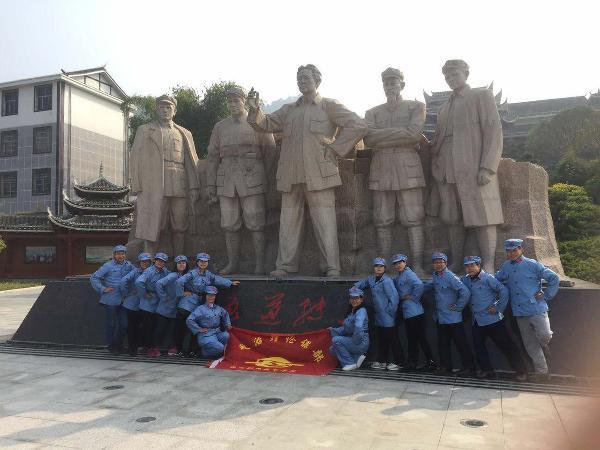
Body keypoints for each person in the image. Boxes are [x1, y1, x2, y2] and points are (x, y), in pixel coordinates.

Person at [247, 64, 368, 277]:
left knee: (325, 222)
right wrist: (255, 109)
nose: (301, 81)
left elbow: (358, 125)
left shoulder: (329, 106)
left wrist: (336, 149)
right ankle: (285, 265)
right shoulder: (289, 110)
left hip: (319, 172)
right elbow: (265, 124)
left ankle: (331, 266)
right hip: (291, 173)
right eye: (299, 78)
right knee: (288, 223)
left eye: (305, 77)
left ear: (317, 81)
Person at [429, 60, 504, 273]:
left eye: (455, 74)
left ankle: (488, 262)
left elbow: (494, 131)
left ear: (466, 73)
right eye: (447, 77)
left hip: (472, 163)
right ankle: (457, 260)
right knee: (452, 217)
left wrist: (488, 166)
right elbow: (438, 139)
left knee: (483, 215)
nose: (451, 79)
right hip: (447, 166)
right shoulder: (444, 107)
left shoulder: (481, 95)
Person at [207, 86, 276, 274]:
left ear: (244, 101)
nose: (232, 104)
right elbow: (212, 157)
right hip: (227, 180)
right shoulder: (220, 127)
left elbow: (270, 151)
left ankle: (260, 265)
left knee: (256, 223)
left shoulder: (257, 122)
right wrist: (211, 184)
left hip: (252, 177)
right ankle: (233, 263)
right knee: (229, 224)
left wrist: (262, 173)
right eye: (229, 101)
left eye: (236, 101)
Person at [364, 68, 427, 275]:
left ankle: (417, 265)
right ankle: (383, 267)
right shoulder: (372, 112)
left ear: (402, 84)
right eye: (386, 83)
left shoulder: (416, 107)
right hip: (381, 167)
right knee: (382, 220)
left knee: (414, 218)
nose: (390, 86)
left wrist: (382, 136)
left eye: (393, 82)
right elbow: (369, 139)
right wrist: (400, 134)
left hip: (408, 166)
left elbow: (414, 134)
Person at [129, 95, 200, 255]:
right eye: (162, 107)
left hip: (179, 184)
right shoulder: (145, 130)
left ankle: (179, 260)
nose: (165, 110)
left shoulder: (184, 133)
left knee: (180, 224)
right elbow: (135, 158)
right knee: (153, 224)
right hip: (154, 184)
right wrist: (137, 185)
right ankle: (149, 260)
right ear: (156, 109)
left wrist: (194, 187)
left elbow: (191, 162)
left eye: (169, 107)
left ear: (175, 110)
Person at [495, 239, 560, 381]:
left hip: (536, 308)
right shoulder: (506, 266)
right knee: (530, 344)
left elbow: (554, 278)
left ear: (521, 249)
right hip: (519, 311)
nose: (512, 253)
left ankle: (544, 344)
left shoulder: (532, 264)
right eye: (508, 251)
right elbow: (496, 279)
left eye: (514, 250)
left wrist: (546, 295)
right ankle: (542, 372)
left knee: (545, 335)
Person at [461, 255, 527, 381]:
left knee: (507, 345)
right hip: (477, 320)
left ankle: (521, 371)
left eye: (472, 265)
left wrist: (498, 307)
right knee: (478, 347)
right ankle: (487, 371)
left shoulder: (488, 278)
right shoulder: (465, 280)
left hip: (493, 319)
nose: (470, 268)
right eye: (467, 266)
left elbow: (504, 291)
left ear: (478, 266)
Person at [175, 253, 240, 356]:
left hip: (198, 302)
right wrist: (182, 293)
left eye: (205, 261)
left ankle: (192, 351)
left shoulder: (208, 274)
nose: (203, 263)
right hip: (187, 305)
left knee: (193, 329)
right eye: (201, 261)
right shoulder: (192, 273)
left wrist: (230, 283)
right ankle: (182, 350)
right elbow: (179, 282)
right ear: (197, 262)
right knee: (186, 329)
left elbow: (216, 279)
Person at [424, 252, 475, 376]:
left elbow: (465, 292)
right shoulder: (436, 275)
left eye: (441, 262)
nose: (438, 264)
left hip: (453, 318)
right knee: (443, 344)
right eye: (436, 262)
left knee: (461, 344)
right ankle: (446, 367)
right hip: (441, 317)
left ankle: (469, 368)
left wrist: (458, 306)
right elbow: (427, 286)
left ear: (446, 263)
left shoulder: (450, 276)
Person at [354, 257, 403, 370]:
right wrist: (354, 287)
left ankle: (399, 362)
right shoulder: (371, 279)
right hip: (378, 316)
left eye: (381, 266)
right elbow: (361, 284)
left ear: (385, 268)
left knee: (393, 339)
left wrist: (389, 312)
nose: (379, 268)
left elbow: (394, 298)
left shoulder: (387, 281)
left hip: (387, 316)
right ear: (374, 268)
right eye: (376, 266)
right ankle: (382, 361)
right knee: (381, 340)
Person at [392, 253, 436, 371]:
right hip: (408, 313)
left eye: (400, 262)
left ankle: (430, 362)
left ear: (405, 262)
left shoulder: (408, 273)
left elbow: (419, 285)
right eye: (395, 264)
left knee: (420, 339)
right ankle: (413, 363)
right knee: (412, 340)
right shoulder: (400, 276)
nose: (398, 265)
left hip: (415, 313)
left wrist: (413, 297)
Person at [90, 244, 134, 355]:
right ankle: (112, 346)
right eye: (118, 254)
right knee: (111, 324)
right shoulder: (108, 265)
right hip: (111, 299)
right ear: (114, 255)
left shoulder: (129, 265)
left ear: (125, 255)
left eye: (122, 254)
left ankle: (119, 345)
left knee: (124, 324)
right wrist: (102, 289)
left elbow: (136, 274)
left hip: (124, 300)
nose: (120, 256)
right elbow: (94, 277)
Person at [152, 255, 190, 357]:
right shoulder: (173, 275)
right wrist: (164, 297)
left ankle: (173, 348)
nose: (181, 265)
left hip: (177, 308)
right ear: (175, 265)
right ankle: (154, 349)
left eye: (183, 263)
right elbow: (159, 284)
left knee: (174, 330)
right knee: (160, 329)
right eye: (179, 263)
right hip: (165, 308)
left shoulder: (187, 276)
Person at [135, 252, 170, 356]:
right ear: (154, 261)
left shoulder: (165, 272)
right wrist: (144, 293)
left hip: (158, 301)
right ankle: (146, 347)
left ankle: (151, 347)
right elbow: (139, 282)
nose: (160, 263)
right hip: (147, 302)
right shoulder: (149, 271)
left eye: (162, 261)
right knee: (147, 327)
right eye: (158, 260)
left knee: (155, 326)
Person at [119, 252, 153, 356]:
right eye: (143, 261)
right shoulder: (135, 272)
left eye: (147, 261)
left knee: (143, 327)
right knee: (133, 327)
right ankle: (132, 348)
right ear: (139, 263)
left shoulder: (152, 272)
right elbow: (123, 281)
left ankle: (141, 346)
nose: (145, 263)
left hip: (145, 304)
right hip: (134, 304)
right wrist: (127, 293)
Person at [329, 287, 369, 371]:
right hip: (355, 340)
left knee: (336, 340)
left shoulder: (361, 311)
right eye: (352, 298)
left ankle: (349, 363)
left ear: (361, 299)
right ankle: (356, 358)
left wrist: (355, 341)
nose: (354, 300)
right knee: (333, 349)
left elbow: (358, 328)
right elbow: (346, 329)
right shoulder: (352, 311)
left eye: (357, 298)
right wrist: (332, 330)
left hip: (360, 342)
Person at [186, 286, 232, 358]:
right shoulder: (200, 309)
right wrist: (199, 329)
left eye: (213, 295)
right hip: (206, 334)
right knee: (220, 348)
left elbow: (225, 314)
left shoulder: (218, 308)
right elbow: (189, 320)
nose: (211, 297)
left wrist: (228, 324)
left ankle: (216, 351)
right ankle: (202, 353)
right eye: (209, 295)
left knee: (226, 335)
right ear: (205, 296)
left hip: (217, 332)